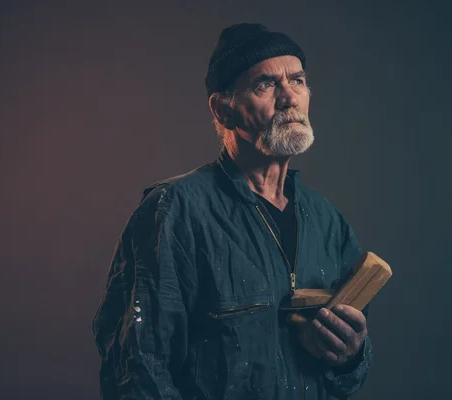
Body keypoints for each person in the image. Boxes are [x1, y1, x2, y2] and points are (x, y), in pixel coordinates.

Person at [92, 23, 373, 400]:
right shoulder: (176, 211)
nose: (289, 97)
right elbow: (139, 368)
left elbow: (347, 376)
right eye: (266, 84)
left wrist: (350, 357)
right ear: (223, 109)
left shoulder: (327, 223)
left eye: (299, 81)